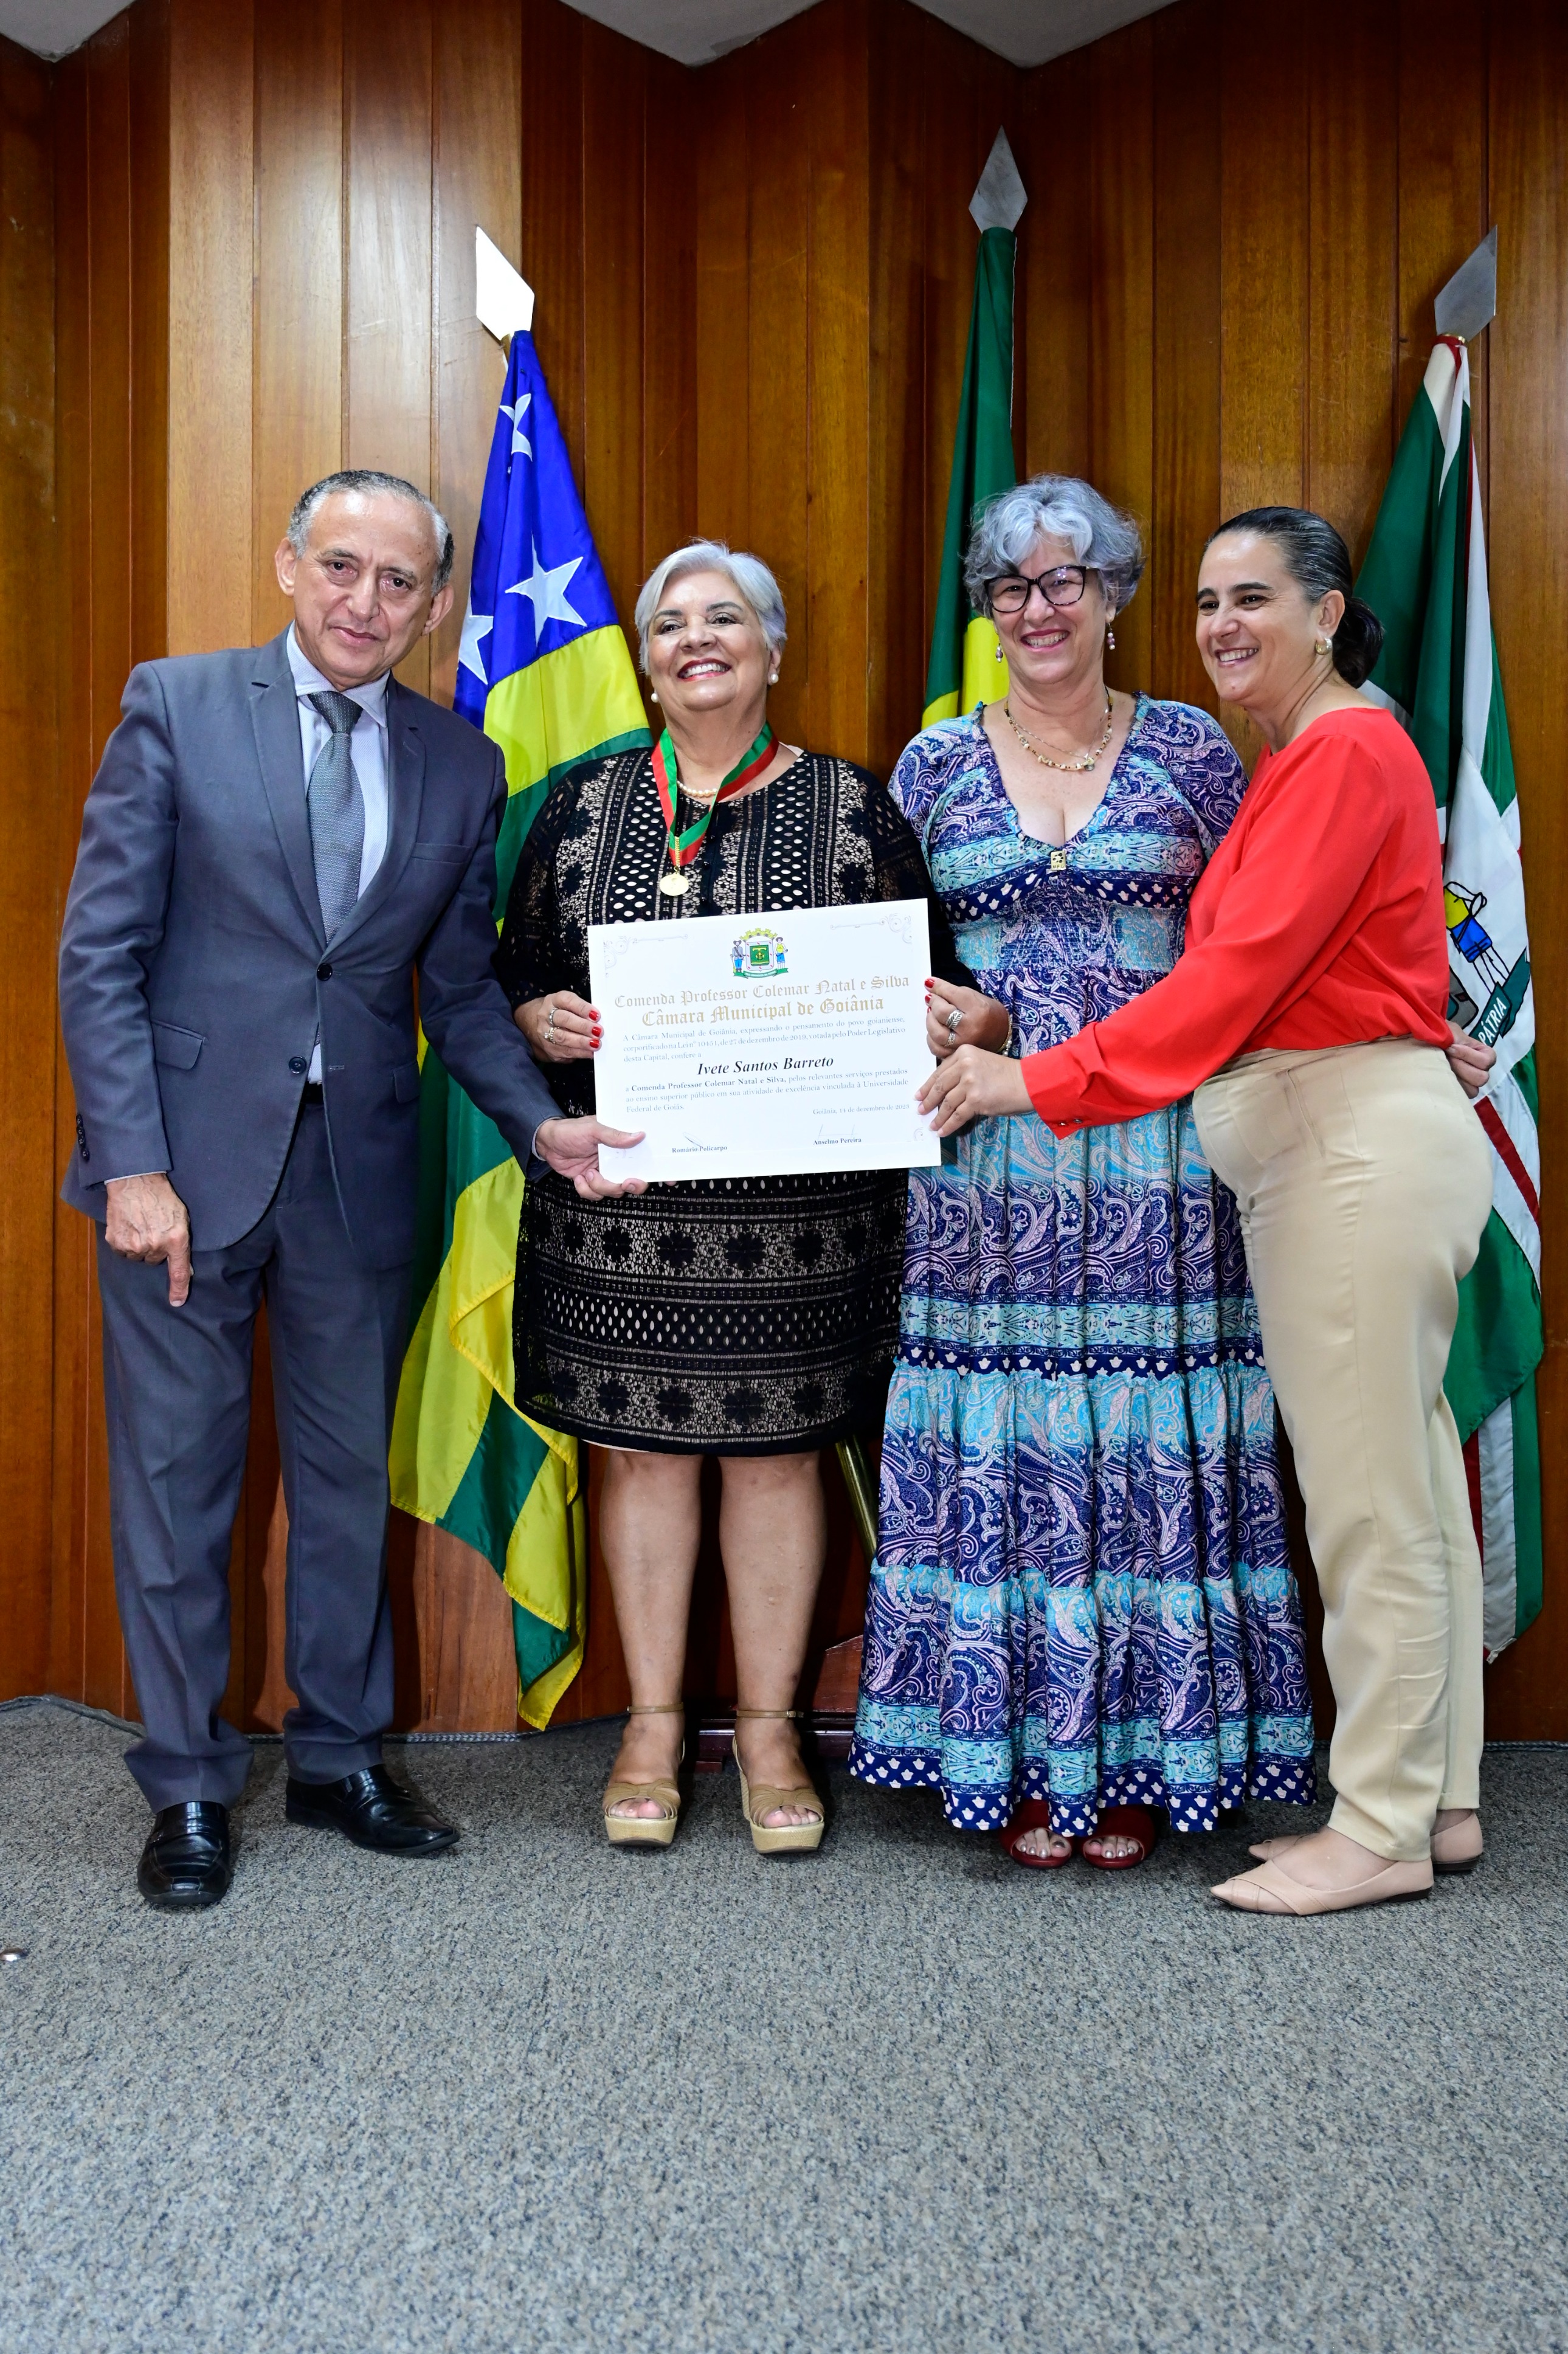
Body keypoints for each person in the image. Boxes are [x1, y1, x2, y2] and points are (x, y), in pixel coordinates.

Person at [58, 469, 629, 1912]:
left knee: (342, 1485)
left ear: (436, 606)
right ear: (287, 564)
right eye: (340, 566)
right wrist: (132, 1164)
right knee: (178, 1486)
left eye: (398, 581)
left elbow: (460, 990)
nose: (364, 601)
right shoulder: (177, 705)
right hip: (182, 1174)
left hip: (359, 1175)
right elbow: (99, 954)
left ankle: (336, 1756)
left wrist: (541, 1127)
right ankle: (188, 1785)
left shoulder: (460, 763)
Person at [922, 505, 1493, 1916]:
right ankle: (1438, 1801)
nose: (1224, 624)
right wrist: (1415, 1019)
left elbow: (1228, 981)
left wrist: (1030, 1079)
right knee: (1407, 1491)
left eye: (1253, 598)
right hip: (1339, 1133)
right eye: (1208, 602)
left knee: (1372, 1514)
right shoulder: (1313, 757)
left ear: (1328, 612)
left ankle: (1380, 1828)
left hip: (1343, 1148)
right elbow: (1318, 956)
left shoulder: (1338, 751)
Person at [849, 475, 1318, 1870]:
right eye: (1012, 584)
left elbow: (1256, 945)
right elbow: (883, 965)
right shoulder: (931, 765)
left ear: (1114, 596)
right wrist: (946, 1014)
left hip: (1162, 1165)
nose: (1039, 606)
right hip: (986, 1166)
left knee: (1146, 1435)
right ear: (987, 607)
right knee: (1007, 1444)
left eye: (1067, 579)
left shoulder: (1194, 752)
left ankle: (1145, 1756)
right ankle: (1009, 1756)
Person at [493, 540, 972, 1855]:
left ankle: (769, 1730)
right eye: (669, 625)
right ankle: (652, 1724)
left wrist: (950, 1019)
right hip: (626, 1203)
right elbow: (511, 978)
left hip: (803, 1218)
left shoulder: (854, 805)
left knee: (780, 1454)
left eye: (724, 619)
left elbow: (933, 985)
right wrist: (538, 1017)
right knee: (642, 1454)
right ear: (647, 663)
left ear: (771, 649)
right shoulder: (582, 803)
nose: (695, 640)